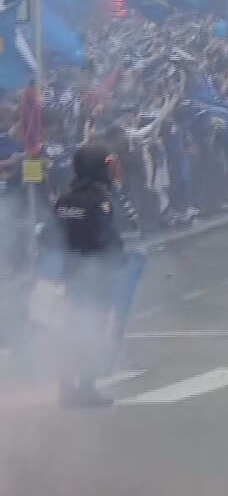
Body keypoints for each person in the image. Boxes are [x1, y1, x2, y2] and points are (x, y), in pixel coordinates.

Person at [51, 143, 126, 408]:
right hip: (95, 277)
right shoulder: (100, 201)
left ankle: (65, 388)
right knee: (93, 330)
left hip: (69, 274)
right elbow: (107, 239)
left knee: (70, 331)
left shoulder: (63, 200)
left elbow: (52, 236)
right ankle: (86, 387)